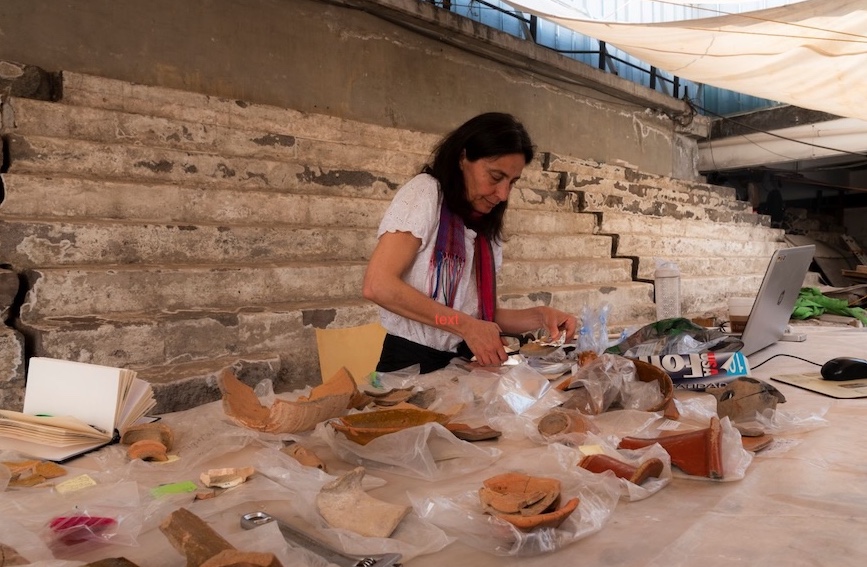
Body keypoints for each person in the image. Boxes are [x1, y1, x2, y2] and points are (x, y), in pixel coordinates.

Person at [362, 112, 578, 373]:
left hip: (461, 367)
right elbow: (378, 285)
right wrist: (465, 326)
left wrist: (540, 316)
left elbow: (480, 314)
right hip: (409, 367)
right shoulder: (426, 193)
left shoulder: (483, 230)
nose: (503, 194)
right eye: (495, 177)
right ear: (463, 158)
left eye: (512, 182)